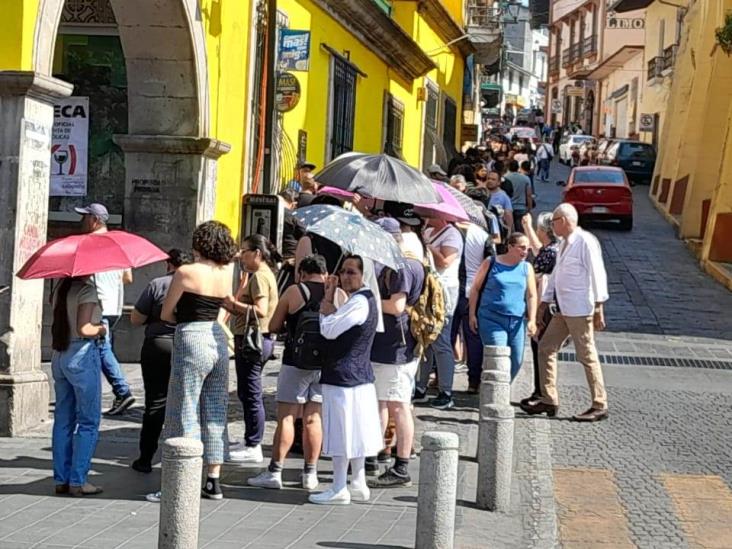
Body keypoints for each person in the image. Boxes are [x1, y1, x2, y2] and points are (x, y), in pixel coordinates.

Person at [156, 220, 237, 501]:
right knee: (215, 408)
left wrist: (179, 316)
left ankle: (180, 480)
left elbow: (166, 313)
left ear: (199, 244)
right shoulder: (226, 273)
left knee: (184, 406)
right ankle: (213, 480)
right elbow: (226, 304)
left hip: (191, 335)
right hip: (217, 338)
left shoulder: (186, 271)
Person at [248, 255, 344, 490]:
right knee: (314, 418)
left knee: (287, 417)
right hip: (325, 364)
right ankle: (310, 473)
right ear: (324, 273)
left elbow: (273, 326)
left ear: (301, 273)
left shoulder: (294, 291)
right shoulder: (338, 294)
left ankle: (275, 471)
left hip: (295, 362)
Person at [521, 204, 610, 422]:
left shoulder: (585, 241)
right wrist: (544, 302)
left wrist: (599, 306)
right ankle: (548, 398)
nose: (551, 226)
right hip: (562, 308)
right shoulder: (562, 245)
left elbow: (597, 273)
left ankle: (599, 403)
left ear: (565, 220)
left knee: (587, 355)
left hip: (580, 309)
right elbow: (556, 275)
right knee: (545, 347)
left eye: (554, 222)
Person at [309, 256, 383, 505]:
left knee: (341, 433)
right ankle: (358, 483)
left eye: (351, 272)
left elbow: (329, 330)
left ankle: (340, 486)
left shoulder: (361, 301)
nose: (345, 276)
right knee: (355, 432)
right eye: (343, 271)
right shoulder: (363, 300)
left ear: (364, 275)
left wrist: (326, 308)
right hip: (356, 376)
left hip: (344, 376)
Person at [368, 218, 425, 487]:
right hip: (392, 344)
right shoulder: (404, 263)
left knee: (398, 405)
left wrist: (365, 300)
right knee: (382, 401)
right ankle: (375, 454)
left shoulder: (402, 266)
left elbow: (397, 306)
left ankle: (401, 465)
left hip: (396, 346)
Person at [129, 249, 193, 473]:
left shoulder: (157, 284)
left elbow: (136, 318)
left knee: (155, 403)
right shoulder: (196, 284)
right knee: (186, 401)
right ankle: (181, 458)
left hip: (157, 344)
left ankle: (145, 458)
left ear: (169, 264)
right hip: (187, 345)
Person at [75, 203, 135, 415]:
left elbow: (83, 274)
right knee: (102, 348)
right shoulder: (118, 244)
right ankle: (116, 392)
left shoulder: (90, 243)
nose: (82, 221)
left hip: (98, 303)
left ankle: (122, 391)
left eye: (85, 217)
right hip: (115, 304)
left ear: (95, 220)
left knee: (102, 348)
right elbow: (128, 277)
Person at [225, 234, 280, 463]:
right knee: (247, 391)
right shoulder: (259, 275)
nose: (241, 256)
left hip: (253, 339)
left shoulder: (259, 276)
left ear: (257, 253)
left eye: (245, 251)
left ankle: (253, 443)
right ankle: (250, 438)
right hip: (257, 339)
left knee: (250, 392)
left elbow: (261, 309)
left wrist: (232, 305)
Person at [51, 276, 107, 496]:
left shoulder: (59, 289)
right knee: (88, 421)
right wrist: (101, 329)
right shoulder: (87, 291)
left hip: (60, 353)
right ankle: (78, 480)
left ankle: (61, 478)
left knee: (63, 419)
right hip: (82, 354)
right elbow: (84, 328)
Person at [469, 233, 538, 381]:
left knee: (516, 361)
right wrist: (472, 314)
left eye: (528, 249)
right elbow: (475, 288)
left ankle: (500, 390)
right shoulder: (491, 262)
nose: (525, 252)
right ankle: (493, 396)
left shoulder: (527, 268)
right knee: (498, 358)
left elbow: (531, 295)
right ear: (510, 247)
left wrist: (532, 320)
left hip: (517, 322)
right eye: (522, 248)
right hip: (491, 318)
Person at [414, 218, 463, 410]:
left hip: (443, 294)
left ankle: (446, 391)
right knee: (425, 341)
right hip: (428, 291)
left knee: (441, 342)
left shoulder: (453, 234)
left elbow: (444, 261)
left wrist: (428, 247)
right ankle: (421, 386)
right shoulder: (428, 231)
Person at [520, 213, 559, 405]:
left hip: (545, 306)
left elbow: (534, 275)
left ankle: (542, 392)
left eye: (537, 228)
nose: (536, 231)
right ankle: (539, 390)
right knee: (538, 348)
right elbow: (537, 249)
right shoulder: (549, 249)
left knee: (540, 348)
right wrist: (527, 226)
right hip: (545, 304)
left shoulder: (551, 253)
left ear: (544, 231)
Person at [453, 222, 492, 393]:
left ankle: (440, 377)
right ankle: (474, 381)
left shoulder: (451, 232)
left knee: (447, 336)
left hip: (453, 289)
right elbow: (490, 263)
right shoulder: (483, 235)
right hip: (474, 291)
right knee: (473, 338)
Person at [277, 189, 305, 294]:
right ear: (293, 204)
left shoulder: (269, 210)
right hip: (289, 260)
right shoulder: (294, 217)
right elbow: (304, 235)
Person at [504, 161, 533, 232]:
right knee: (520, 231)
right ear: (518, 168)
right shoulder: (526, 178)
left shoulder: (504, 178)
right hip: (521, 207)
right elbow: (529, 195)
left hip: (507, 208)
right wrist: (529, 208)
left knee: (508, 230)